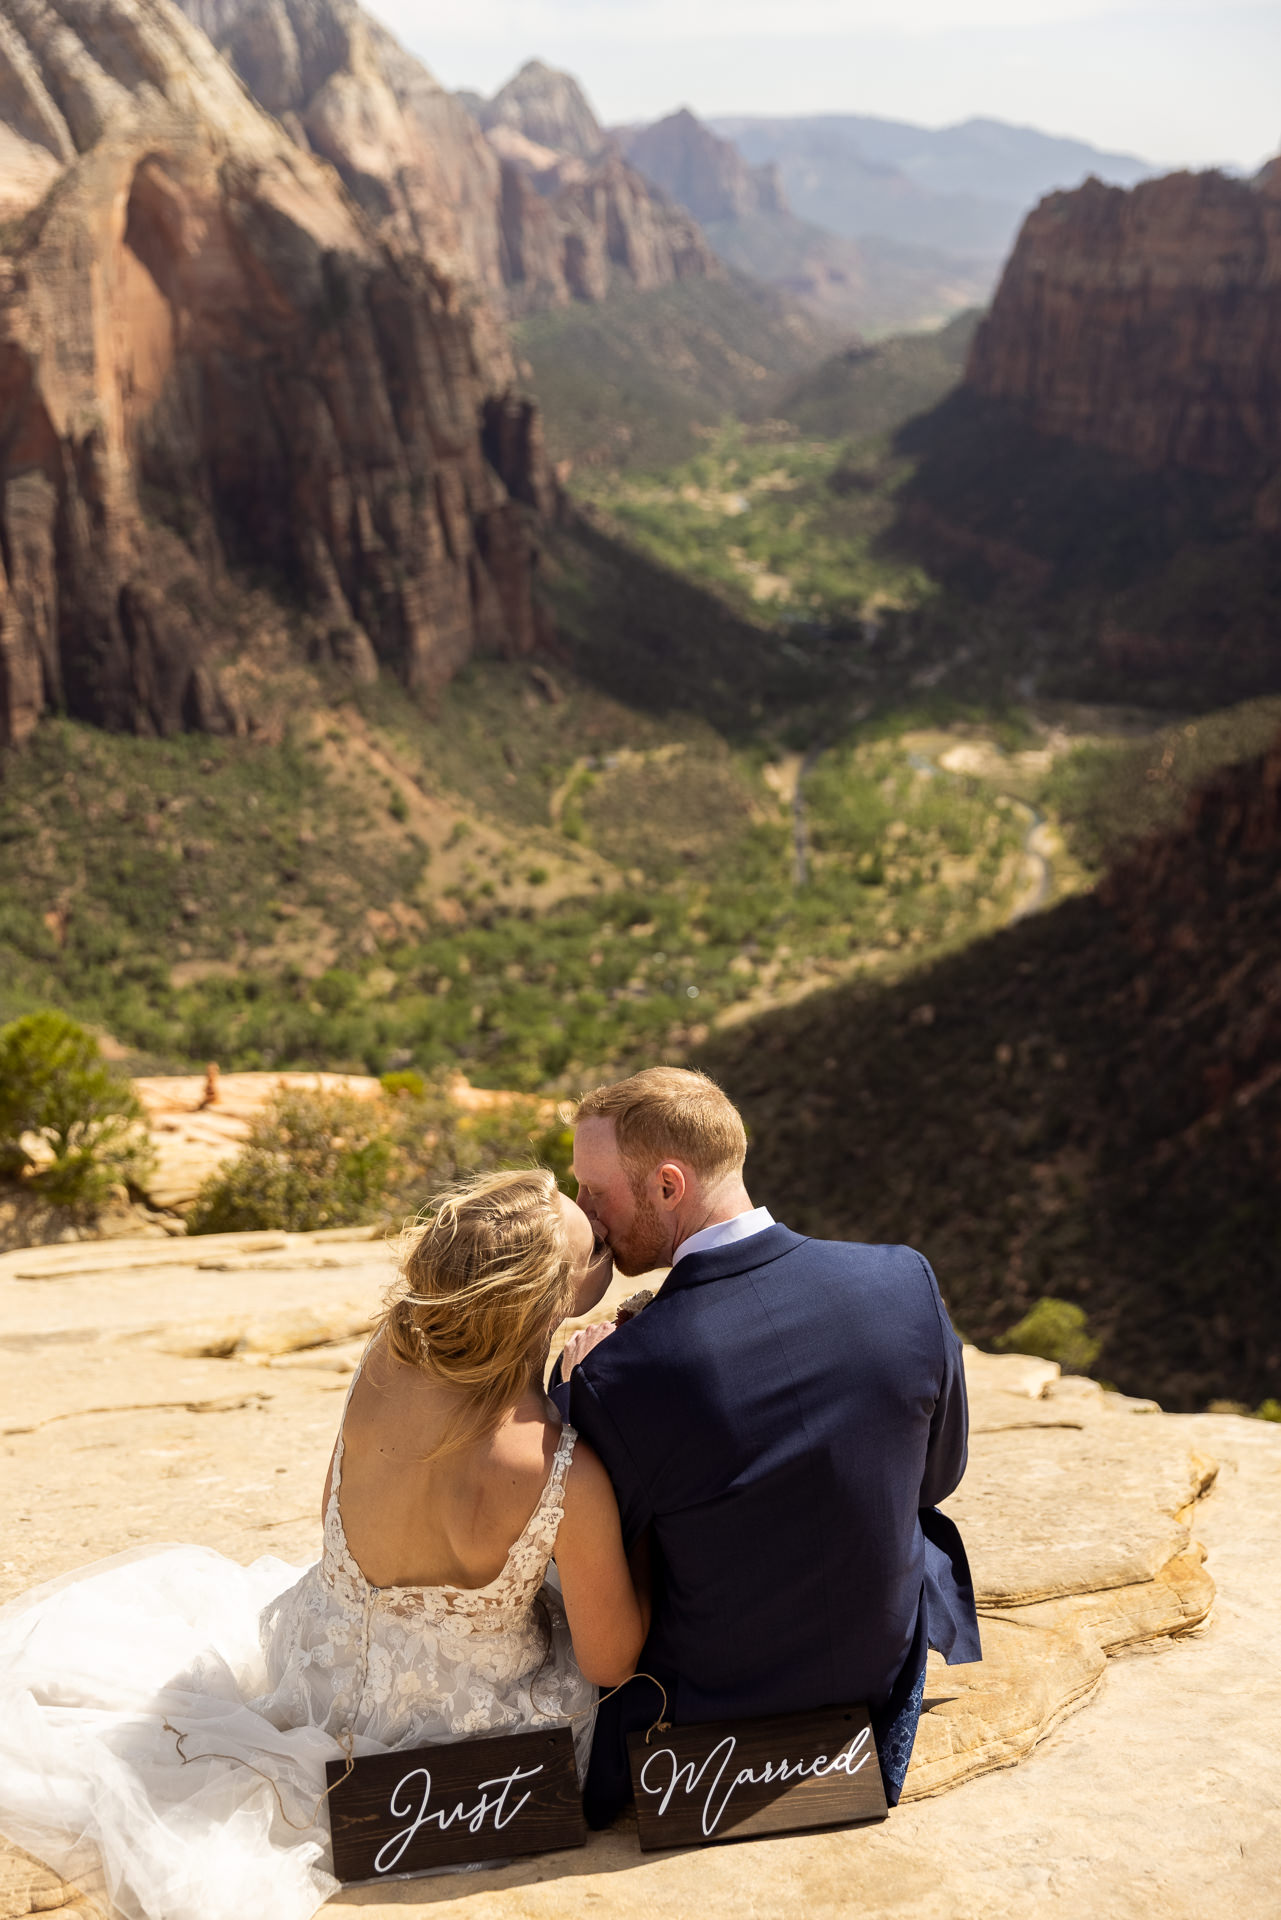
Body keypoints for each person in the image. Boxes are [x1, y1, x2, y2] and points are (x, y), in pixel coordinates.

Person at [0, 1169, 644, 1920]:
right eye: (594, 1244)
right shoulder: (556, 1465)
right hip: (462, 1756)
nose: (604, 1235)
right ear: (556, 1298)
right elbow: (608, 1660)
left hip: (313, 1671)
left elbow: (332, 1513)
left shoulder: (387, 1356)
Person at [554, 1066, 980, 1828]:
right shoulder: (900, 1280)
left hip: (707, 1730)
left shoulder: (618, 1373)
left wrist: (570, 1385)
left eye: (594, 1190)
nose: (583, 1214)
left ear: (667, 1186)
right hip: (874, 1683)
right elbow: (934, 1480)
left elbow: (599, 1568)